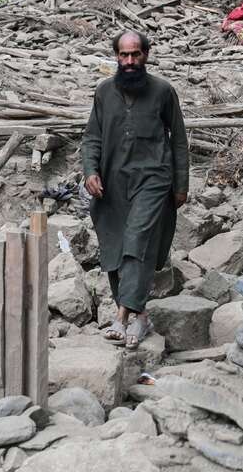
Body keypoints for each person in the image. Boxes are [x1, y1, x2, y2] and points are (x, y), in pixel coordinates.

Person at [80, 31, 188, 349]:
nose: (130, 61)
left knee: (138, 238)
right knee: (115, 245)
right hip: (113, 182)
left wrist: (181, 184)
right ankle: (141, 318)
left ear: (146, 56)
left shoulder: (163, 92)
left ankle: (122, 315)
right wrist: (90, 171)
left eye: (136, 55)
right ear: (116, 57)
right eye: (124, 55)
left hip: (154, 178)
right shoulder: (103, 92)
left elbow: (179, 139)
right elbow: (92, 137)